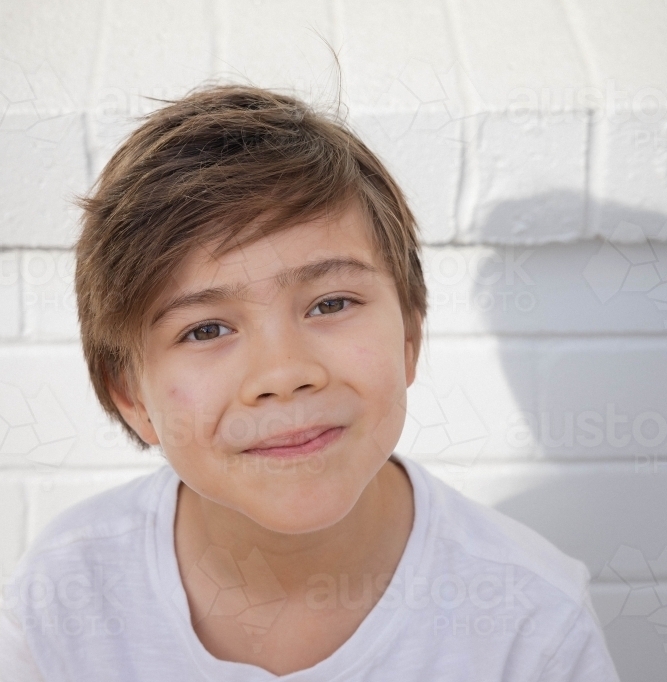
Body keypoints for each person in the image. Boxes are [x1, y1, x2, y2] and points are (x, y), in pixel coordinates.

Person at [0, 85, 619, 681]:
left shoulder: (533, 620)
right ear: (131, 394)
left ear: (409, 338)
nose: (284, 374)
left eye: (330, 304)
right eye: (207, 329)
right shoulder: (62, 599)